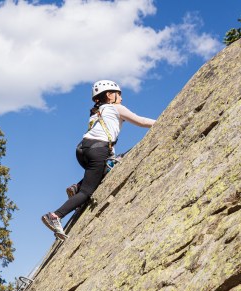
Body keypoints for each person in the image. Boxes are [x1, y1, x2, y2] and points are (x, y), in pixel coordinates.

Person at [42, 80, 156, 239]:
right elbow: (141, 121)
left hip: (82, 150)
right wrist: (162, 121)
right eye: (119, 94)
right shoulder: (116, 108)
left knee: (103, 171)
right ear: (109, 95)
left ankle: (77, 187)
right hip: (98, 150)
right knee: (87, 192)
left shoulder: (97, 111)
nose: (121, 98)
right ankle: (55, 216)